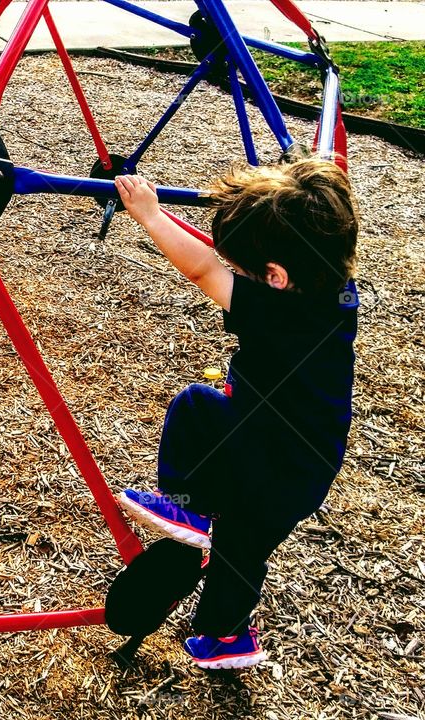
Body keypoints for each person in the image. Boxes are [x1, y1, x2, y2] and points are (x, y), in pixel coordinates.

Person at [114, 159, 359, 669]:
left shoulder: (279, 307)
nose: (235, 278)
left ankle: (188, 506)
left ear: (275, 277)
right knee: (242, 549)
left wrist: (150, 216)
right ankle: (227, 638)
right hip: (305, 475)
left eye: (243, 272)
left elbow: (203, 269)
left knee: (196, 405)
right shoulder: (335, 293)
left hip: (264, 447)